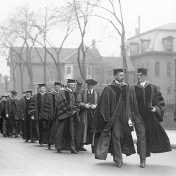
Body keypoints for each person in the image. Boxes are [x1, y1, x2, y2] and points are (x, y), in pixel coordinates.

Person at [92, 69, 135, 167]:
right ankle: (119, 159)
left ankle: (116, 155)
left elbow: (129, 102)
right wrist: (107, 118)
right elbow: (104, 105)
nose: (122, 77)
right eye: (120, 75)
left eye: (123, 75)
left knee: (122, 136)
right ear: (115, 76)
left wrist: (130, 116)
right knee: (116, 136)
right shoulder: (109, 88)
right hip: (114, 117)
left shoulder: (126, 87)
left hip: (124, 116)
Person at [130, 68, 171, 168]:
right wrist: (131, 117)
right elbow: (130, 104)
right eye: (137, 75)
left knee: (148, 137)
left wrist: (155, 109)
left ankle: (144, 156)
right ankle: (142, 159)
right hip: (138, 117)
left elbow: (160, 102)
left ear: (145, 76)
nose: (138, 77)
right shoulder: (133, 88)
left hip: (150, 117)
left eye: (140, 75)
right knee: (141, 137)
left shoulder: (153, 88)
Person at [53, 79, 80, 154]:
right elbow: (61, 103)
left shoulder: (74, 93)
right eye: (73, 85)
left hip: (72, 115)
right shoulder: (62, 92)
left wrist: (75, 110)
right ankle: (59, 147)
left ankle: (72, 148)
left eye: (75, 85)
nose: (74, 86)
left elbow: (77, 102)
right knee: (61, 131)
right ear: (68, 85)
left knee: (72, 131)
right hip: (64, 115)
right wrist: (69, 111)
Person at [80, 79, 98, 153]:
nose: (90, 87)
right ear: (87, 86)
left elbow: (100, 103)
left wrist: (96, 106)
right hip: (85, 113)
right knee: (83, 129)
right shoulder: (83, 93)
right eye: (89, 86)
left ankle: (94, 147)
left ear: (93, 86)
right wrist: (84, 105)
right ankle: (81, 145)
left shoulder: (97, 94)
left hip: (93, 114)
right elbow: (79, 102)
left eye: (91, 86)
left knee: (93, 130)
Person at [48, 81, 63, 149]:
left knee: (58, 130)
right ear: (54, 87)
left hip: (59, 114)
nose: (58, 88)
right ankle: (50, 143)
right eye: (56, 87)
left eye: (59, 87)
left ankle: (58, 143)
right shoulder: (51, 94)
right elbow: (48, 105)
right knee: (51, 129)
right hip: (53, 114)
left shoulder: (62, 94)